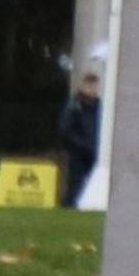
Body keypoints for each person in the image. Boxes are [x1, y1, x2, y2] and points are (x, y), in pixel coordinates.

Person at [57, 68, 96, 206]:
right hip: (78, 151)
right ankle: (71, 204)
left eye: (93, 86)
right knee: (76, 181)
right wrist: (80, 144)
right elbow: (65, 128)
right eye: (89, 85)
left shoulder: (98, 105)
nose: (91, 89)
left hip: (93, 150)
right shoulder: (74, 105)